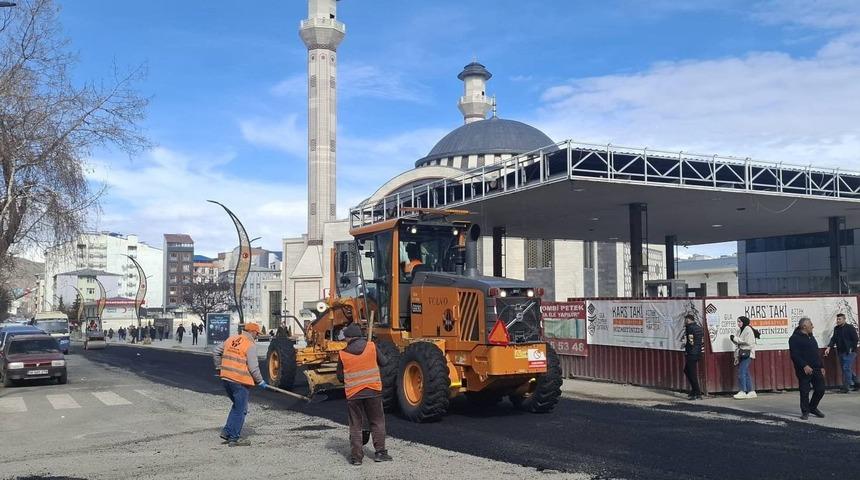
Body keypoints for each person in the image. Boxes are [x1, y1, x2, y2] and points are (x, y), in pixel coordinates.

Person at [335, 324, 392, 465]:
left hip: (353, 394)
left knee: (356, 425)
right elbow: (385, 362)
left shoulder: (342, 354)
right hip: (373, 391)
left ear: (349, 338)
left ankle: (356, 458)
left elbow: (340, 377)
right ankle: (380, 453)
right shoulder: (371, 346)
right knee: (377, 421)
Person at [213, 322, 267, 446]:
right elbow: (254, 368)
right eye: (257, 334)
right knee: (241, 409)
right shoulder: (250, 345)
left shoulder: (231, 339)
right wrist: (260, 381)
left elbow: (216, 351)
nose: (257, 336)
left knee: (238, 406)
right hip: (239, 381)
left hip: (226, 379)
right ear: (252, 332)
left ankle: (227, 432)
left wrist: (218, 367)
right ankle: (233, 438)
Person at [789, 317, 826, 420]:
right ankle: (805, 412)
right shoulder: (794, 338)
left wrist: (821, 365)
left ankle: (812, 407)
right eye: (811, 324)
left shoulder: (811, 337)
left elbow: (816, 353)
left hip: (816, 368)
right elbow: (795, 355)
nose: (812, 326)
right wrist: (804, 365)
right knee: (805, 391)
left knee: (820, 389)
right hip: (803, 369)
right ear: (804, 326)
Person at [824, 313, 859, 393]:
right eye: (837, 319)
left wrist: (851, 348)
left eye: (839, 319)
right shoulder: (836, 329)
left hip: (850, 352)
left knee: (846, 368)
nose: (838, 321)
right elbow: (833, 339)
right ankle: (857, 383)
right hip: (841, 352)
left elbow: (855, 339)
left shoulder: (850, 328)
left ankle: (846, 386)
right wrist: (829, 347)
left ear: (844, 319)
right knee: (847, 368)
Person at [730, 316, 758, 399]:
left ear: (744, 322)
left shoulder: (748, 330)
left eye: (740, 321)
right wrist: (734, 340)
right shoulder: (739, 330)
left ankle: (742, 391)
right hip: (741, 353)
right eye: (737, 321)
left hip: (747, 353)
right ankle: (751, 391)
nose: (738, 323)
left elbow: (748, 342)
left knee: (741, 372)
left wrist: (735, 339)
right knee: (745, 372)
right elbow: (738, 343)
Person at [681, 314, 704, 400]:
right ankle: (694, 390)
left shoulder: (690, 328)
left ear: (688, 320)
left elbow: (691, 341)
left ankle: (697, 393)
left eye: (685, 320)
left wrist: (687, 349)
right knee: (687, 370)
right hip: (697, 352)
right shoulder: (698, 327)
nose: (685, 322)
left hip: (691, 353)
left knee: (692, 373)